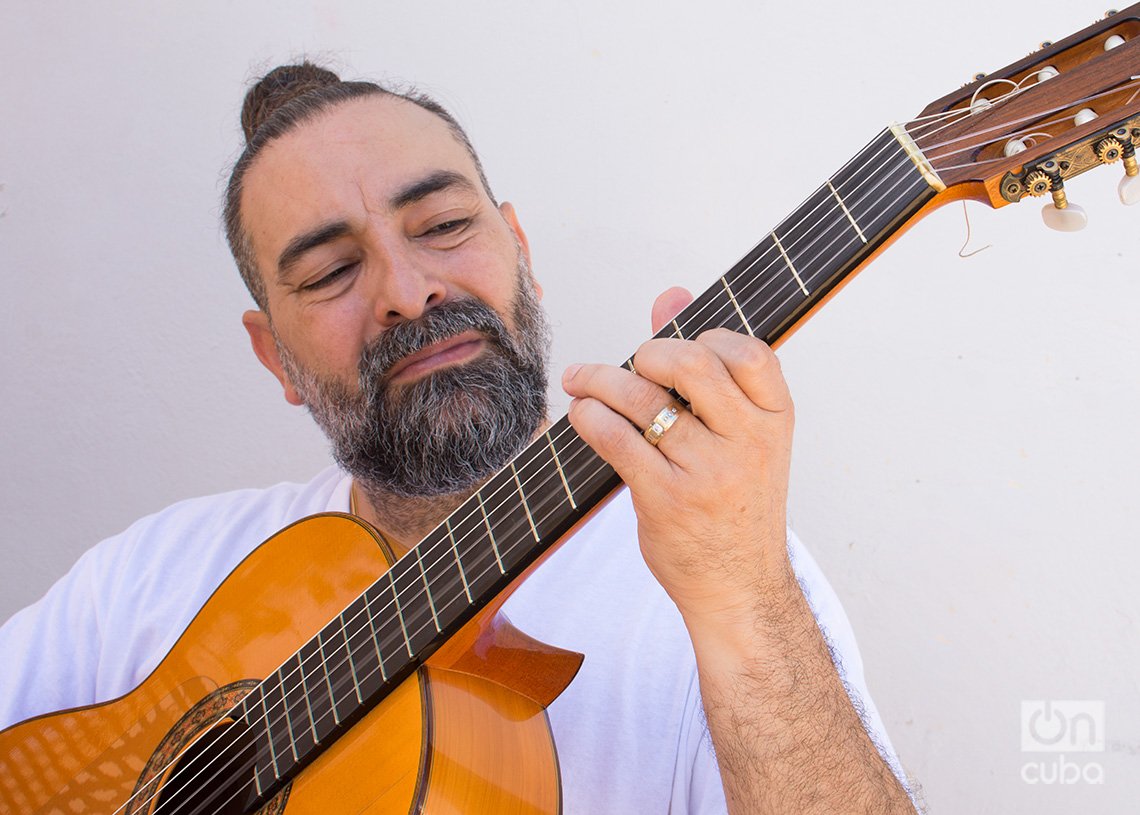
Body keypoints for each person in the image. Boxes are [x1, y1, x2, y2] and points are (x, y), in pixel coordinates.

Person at [0, 63, 918, 813]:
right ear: (273, 355)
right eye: (330, 271)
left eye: (443, 225)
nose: (407, 288)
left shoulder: (732, 572)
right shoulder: (147, 581)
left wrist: (742, 598)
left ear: (521, 250)